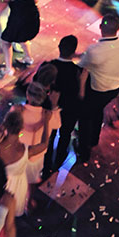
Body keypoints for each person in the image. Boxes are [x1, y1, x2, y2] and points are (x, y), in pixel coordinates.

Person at [0, 107, 50, 237]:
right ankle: (9, 231)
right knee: (11, 214)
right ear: (21, 128)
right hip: (17, 187)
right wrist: (46, 122)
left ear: (4, 125)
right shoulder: (25, 150)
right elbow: (44, 145)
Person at [76, 12, 119, 161]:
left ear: (100, 27)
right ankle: (94, 139)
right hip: (115, 88)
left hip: (98, 89)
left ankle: (84, 151)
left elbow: (81, 67)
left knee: (85, 117)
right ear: (118, 28)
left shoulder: (94, 50)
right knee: (98, 110)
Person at [43, 35, 84, 173]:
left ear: (59, 47)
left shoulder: (48, 66)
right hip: (69, 110)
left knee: (50, 135)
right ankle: (59, 158)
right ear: (73, 52)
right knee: (65, 134)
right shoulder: (77, 71)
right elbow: (80, 94)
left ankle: (46, 162)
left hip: (51, 108)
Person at [0, 0, 40, 69]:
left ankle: (9, 69)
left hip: (19, 22)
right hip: (33, 19)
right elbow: (36, 0)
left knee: (6, 41)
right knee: (23, 38)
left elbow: (0, 7)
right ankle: (28, 58)